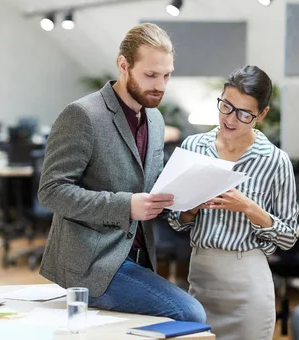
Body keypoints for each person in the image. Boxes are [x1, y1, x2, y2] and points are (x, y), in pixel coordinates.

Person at [38, 23, 206, 321]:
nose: (161, 86)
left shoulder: (154, 120)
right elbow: (52, 191)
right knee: (190, 313)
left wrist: (187, 205)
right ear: (123, 65)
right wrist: (125, 206)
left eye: (167, 75)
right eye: (150, 75)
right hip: (94, 261)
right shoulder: (83, 115)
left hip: (138, 257)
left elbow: (151, 188)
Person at [168, 65, 298, 340]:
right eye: (226, 106)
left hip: (248, 285)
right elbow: (174, 220)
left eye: (244, 113)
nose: (230, 118)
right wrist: (191, 208)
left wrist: (249, 208)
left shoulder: (274, 160)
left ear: (261, 114)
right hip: (200, 277)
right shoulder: (194, 146)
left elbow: (289, 238)